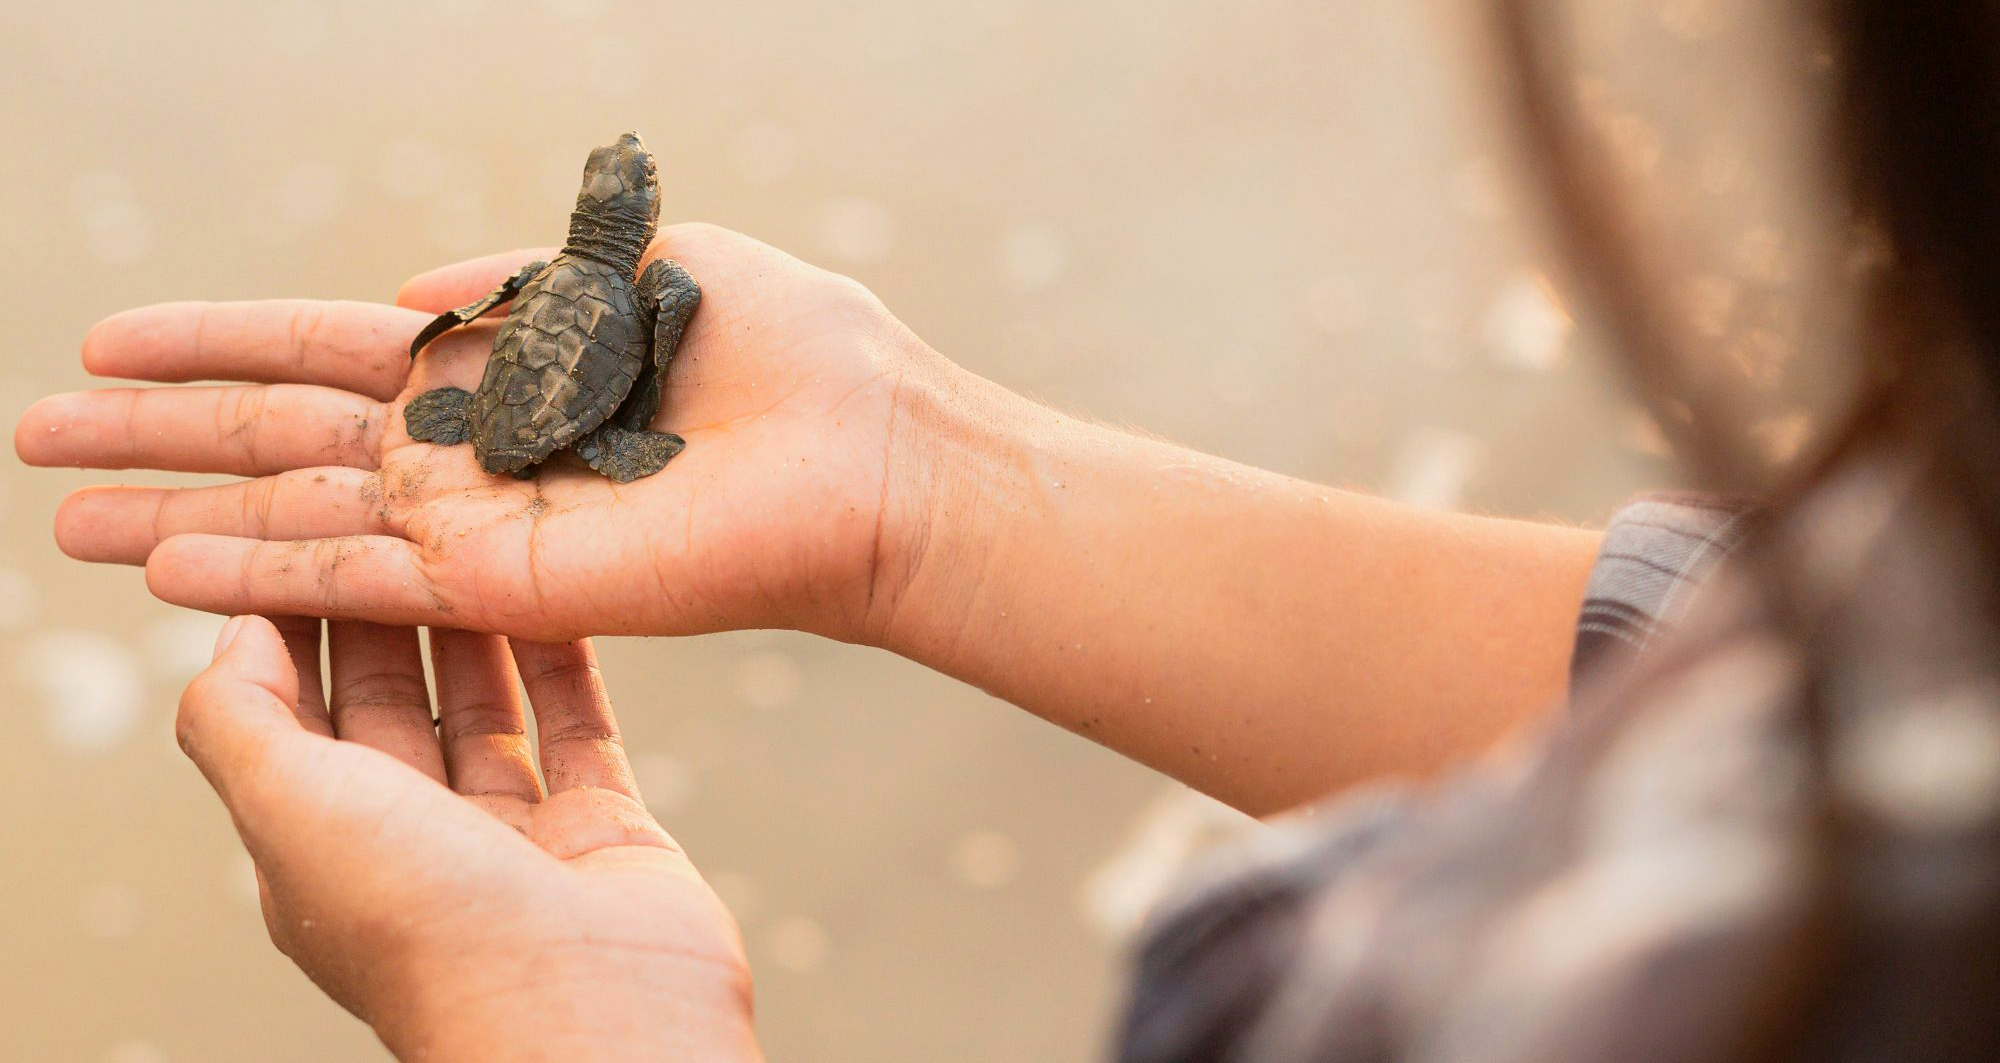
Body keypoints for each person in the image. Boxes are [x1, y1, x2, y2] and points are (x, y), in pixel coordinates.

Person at [14, 1, 1999, 1059]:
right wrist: (917, 489)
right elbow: (1801, 657)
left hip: (559, 403)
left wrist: (552, 1020)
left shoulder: (1556, 1002)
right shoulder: (1897, 734)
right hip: (583, 400)